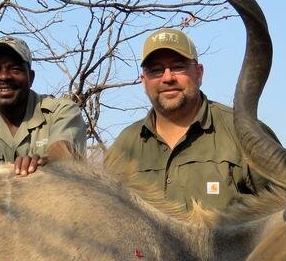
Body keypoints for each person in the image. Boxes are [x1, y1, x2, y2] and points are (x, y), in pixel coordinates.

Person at [105, 27, 271, 212]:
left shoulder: (245, 133)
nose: (167, 77)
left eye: (178, 67)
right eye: (156, 70)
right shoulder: (124, 146)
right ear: (144, 81)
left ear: (199, 73)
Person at [0, 36, 86, 178]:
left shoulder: (62, 111)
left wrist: (39, 164)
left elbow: (62, 157)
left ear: (31, 77)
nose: (4, 77)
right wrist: (10, 172)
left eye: (15, 69)